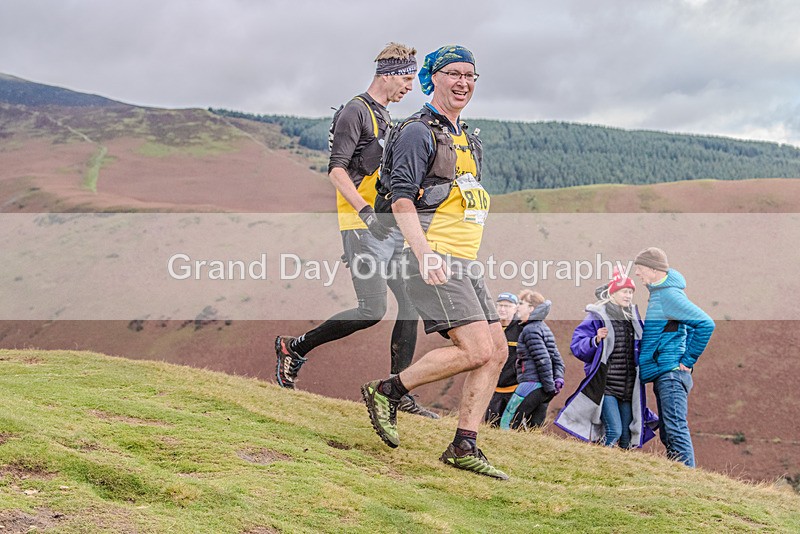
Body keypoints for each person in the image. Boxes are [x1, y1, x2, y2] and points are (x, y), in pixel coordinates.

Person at [360, 45, 510, 479]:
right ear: (433, 78)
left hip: (464, 260)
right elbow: (402, 199)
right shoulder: (417, 132)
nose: (463, 82)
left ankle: (464, 445)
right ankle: (388, 390)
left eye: (470, 75)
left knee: (496, 352)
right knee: (475, 349)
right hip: (430, 256)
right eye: (453, 74)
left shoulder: (467, 138)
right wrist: (424, 254)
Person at [274, 43, 438, 419]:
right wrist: (365, 213)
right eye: (407, 79)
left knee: (410, 303)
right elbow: (336, 170)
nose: (410, 87)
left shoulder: (384, 115)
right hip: (362, 225)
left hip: (387, 225)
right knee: (372, 309)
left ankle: (398, 392)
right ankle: (293, 347)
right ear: (388, 74)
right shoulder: (355, 111)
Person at [554, 268, 658, 448]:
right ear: (613, 293)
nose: (628, 296)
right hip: (606, 386)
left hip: (629, 388)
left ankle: (621, 465)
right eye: (624, 291)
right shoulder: (597, 316)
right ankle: (601, 460)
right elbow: (577, 346)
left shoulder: (634, 320)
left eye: (631, 292)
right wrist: (595, 340)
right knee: (614, 430)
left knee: (626, 437)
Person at [634, 247, 715, 467]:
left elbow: (705, 324)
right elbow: (685, 328)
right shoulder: (661, 294)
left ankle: (688, 480)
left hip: (671, 375)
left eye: (640, 268)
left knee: (675, 430)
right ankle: (677, 476)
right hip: (665, 373)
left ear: (653, 269)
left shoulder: (668, 295)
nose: (637, 273)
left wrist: (686, 360)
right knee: (668, 432)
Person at [499, 291, 565, 430]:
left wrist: (549, 388)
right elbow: (557, 360)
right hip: (542, 387)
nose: (518, 307)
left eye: (521, 303)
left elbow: (543, 360)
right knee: (533, 427)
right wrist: (557, 380)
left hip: (531, 384)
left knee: (507, 423)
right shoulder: (543, 328)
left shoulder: (530, 330)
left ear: (531, 308)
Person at [484, 292, 524, 426]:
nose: (502, 309)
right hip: (492, 389)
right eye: (500, 305)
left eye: (507, 306)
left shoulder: (522, 330)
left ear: (515, 309)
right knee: (490, 426)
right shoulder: (488, 328)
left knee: (512, 428)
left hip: (515, 390)